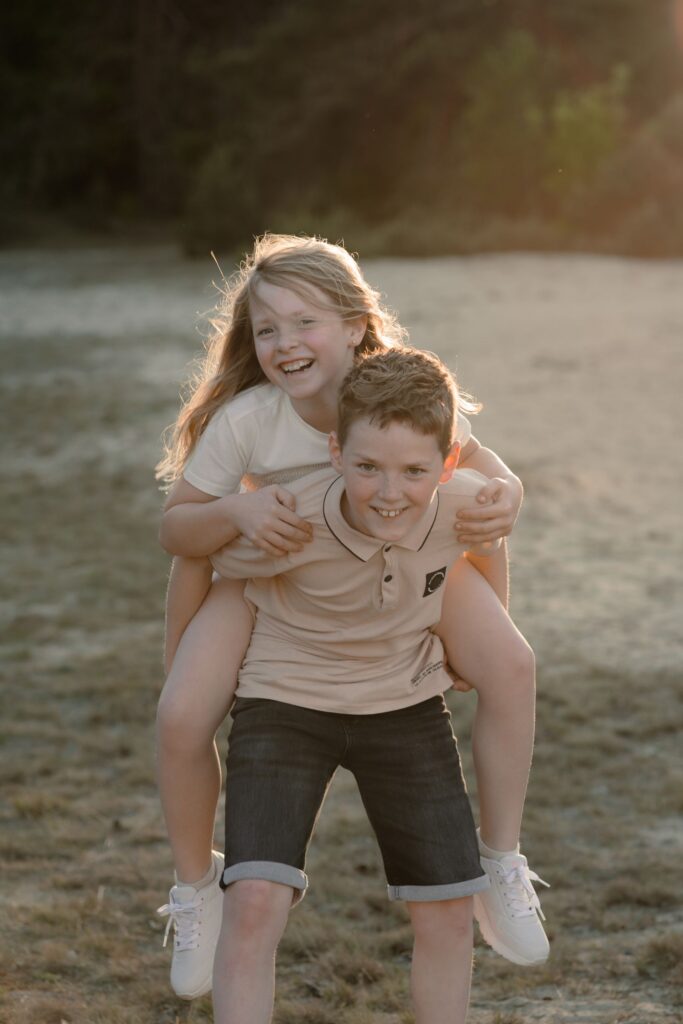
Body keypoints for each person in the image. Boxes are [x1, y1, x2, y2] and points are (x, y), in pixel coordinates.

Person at [155, 234, 545, 1001]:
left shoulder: (398, 395)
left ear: (356, 324)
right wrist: (238, 506)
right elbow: (179, 534)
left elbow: (480, 480)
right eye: (266, 330)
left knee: (513, 665)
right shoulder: (251, 419)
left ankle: (499, 860)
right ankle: (197, 885)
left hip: (401, 556)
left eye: (303, 323)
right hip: (276, 565)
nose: (283, 344)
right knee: (178, 717)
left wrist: (511, 493)